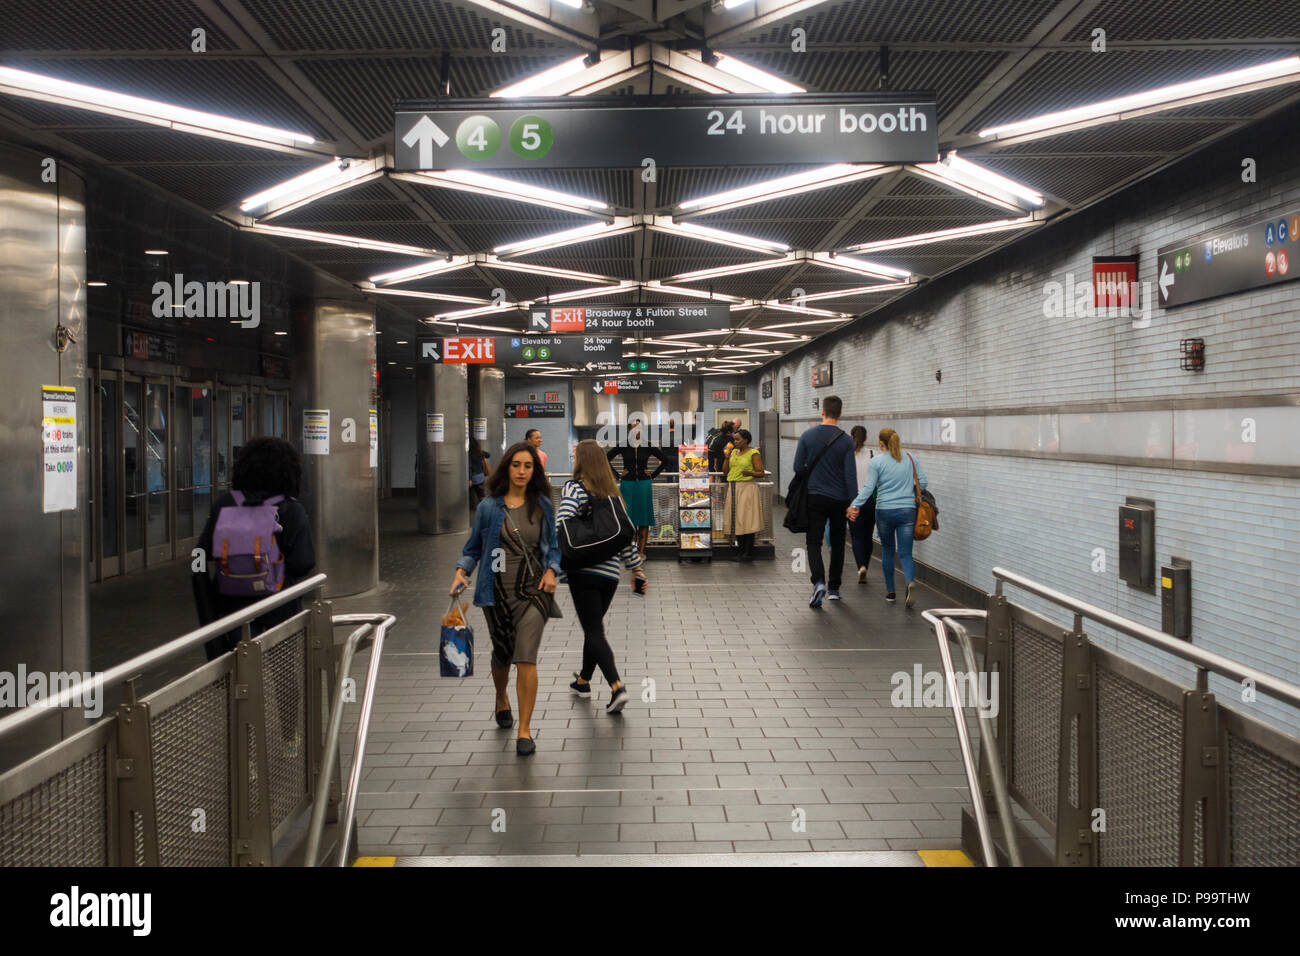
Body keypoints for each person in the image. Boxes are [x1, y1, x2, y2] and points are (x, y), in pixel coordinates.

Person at [450, 442, 560, 756]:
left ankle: (524, 730)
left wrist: (552, 571)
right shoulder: (488, 507)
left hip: (532, 592)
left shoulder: (541, 505)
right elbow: (472, 549)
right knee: (503, 653)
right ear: (507, 468)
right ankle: (501, 697)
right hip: (495, 592)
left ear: (534, 471)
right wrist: (462, 572)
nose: (522, 471)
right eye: (516, 465)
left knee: (525, 656)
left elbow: (553, 546)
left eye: (528, 466)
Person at [191, 437, 315, 661]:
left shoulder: (225, 504)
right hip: (280, 606)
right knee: (284, 674)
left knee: (242, 670)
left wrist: (203, 580)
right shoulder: (291, 509)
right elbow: (303, 563)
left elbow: (201, 553)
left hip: (232, 608)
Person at [559, 440, 647, 713]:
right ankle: (583, 682)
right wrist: (636, 569)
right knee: (593, 628)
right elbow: (626, 538)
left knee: (594, 630)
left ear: (580, 460)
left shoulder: (574, 487)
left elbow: (562, 519)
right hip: (610, 575)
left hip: (583, 571)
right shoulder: (613, 494)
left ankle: (617, 687)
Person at [848, 428, 927, 609]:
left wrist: (855, 505)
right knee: (906, 553)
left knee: (888, 552)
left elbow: (868, 489)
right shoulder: (910, 458)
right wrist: (907, 488)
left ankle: (891, 592)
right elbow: (922, 482)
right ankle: (910, 582)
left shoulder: (876, 461)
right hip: (907, 511)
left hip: (885, 511)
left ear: (881, 442)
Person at [792, 395, 856, 608]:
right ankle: (834, 589)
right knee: (838, 544)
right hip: (839, 499)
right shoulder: (846, 440)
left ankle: (818, 581)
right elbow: (850, 475)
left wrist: (813, 469)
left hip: (815, 497)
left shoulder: (808, 436)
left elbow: (797, 468)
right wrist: (853, 504)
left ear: (822, 411)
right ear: (840, 413)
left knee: (813, 542)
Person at [607, 424, 665, 556]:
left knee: (644, 519)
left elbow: (665, 460)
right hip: (627, 485)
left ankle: (641, 552)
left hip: (644, 485)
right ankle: (631, 553)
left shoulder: (647, 445)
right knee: (629, 519)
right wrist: (617, 475)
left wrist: (653, 475)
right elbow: (605, 458)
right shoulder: (623, 445)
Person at [723, 429, 765, 562]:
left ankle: (748, 552)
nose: (735, 442)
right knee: (736, 520)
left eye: (737, 439)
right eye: (734, 439)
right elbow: (725, 472)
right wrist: (726, 458)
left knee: (747, 519)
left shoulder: (754, 453)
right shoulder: (734, 452)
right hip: (733, 487)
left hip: (747, 488)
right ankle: (740, 551)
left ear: (746, 440)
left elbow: (761, 472)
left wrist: (749, 473)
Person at [848, 425, 877, 584]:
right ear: (866, 438)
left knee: (856, 537)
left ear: (851, 437)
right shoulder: (873, 455)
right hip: (870, 501)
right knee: (868, 536)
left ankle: (861, 567)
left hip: (853, 501)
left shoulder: (847, 456)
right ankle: (866, 564)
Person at [468, 438, 489, 505]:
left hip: (474, 477)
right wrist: (482, 452)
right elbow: (488, 455)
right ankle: (484, 507)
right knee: (481, 494)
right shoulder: (479, 452)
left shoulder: (469, 454)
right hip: (481, 476)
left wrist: (470, 479)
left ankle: (472, 507)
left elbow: (470, 467)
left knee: (470, 494)